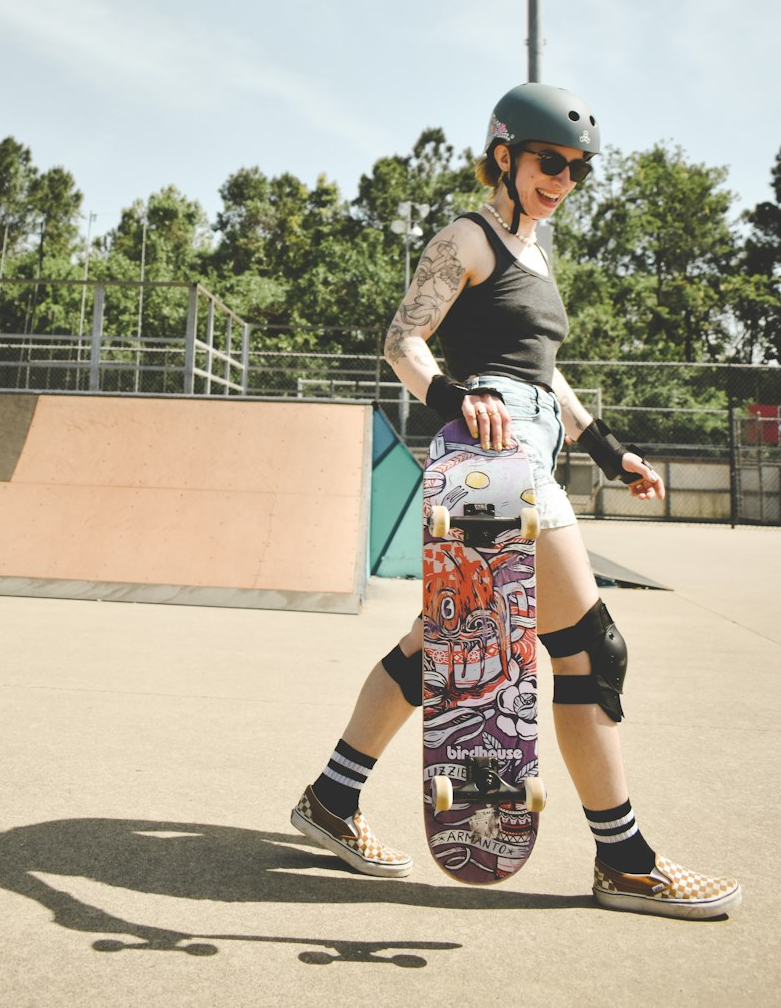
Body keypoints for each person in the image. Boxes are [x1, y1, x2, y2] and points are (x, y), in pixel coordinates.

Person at [291, 83, 741, 919]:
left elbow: (544, 374)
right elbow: (403, 340)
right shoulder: (468, 236)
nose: (563, 179)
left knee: (445, 647)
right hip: (489, 459)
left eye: (577, 169)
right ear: (504, 155)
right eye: (548, 162)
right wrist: (455, 400)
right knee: (590, 650)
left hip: (532, 446)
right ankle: (626, 859)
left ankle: (331, 798)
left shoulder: (535, 255)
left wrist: (609, 449)